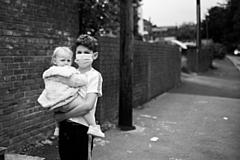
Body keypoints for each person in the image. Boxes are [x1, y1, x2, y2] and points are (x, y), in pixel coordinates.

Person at [37, 46, 105, 139]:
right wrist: (83, 78)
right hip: (65, 99)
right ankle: (93, 126)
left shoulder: (49, 72)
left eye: (68, 61)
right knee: (83, 104)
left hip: (54, 102)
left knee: (58, 114)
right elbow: (76, 82)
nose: (66, 63)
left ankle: (57, 128)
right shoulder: (65, 72)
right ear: (54, 60)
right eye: (63, 60)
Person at [54, 34, 103, 160]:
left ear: (94, 55)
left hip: (83, 129)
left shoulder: (94, 76)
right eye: (79, 52)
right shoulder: (70, 73)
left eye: (86, 52)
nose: (82, 55)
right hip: (65, 126)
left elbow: (88, 105)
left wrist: (64, 116)